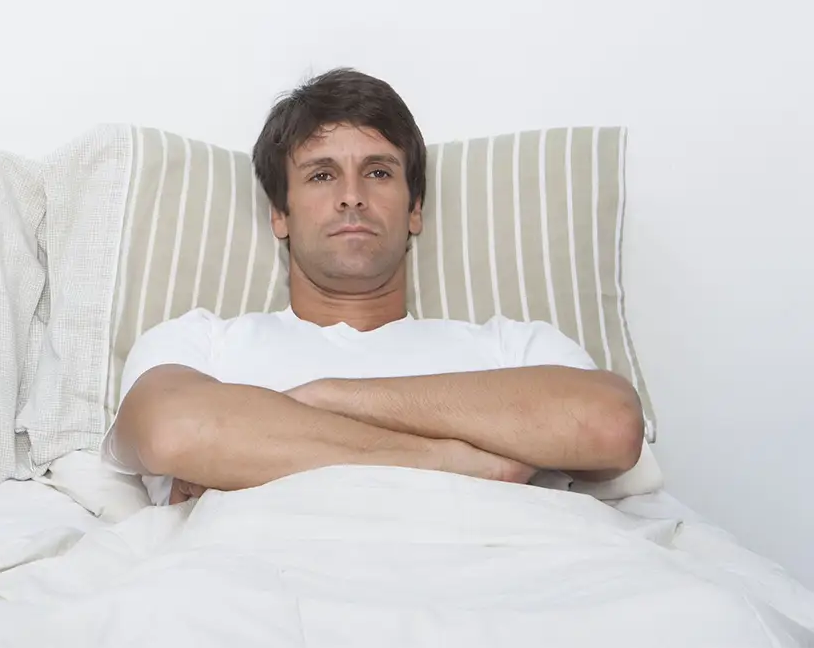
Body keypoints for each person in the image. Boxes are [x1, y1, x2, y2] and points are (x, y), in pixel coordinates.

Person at [105, 68, 645, 506]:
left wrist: (329, 396)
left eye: (379, 172)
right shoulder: (205, 344)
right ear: (280, 215)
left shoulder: (511, 348)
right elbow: (169, 428)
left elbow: (612, 424)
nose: (351, 196)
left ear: (415, 210)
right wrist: (444, 461)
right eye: (321, 175)